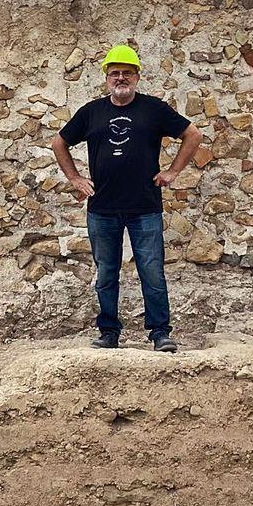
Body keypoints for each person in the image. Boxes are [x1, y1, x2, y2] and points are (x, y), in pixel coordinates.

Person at [51, 44, 202, 352]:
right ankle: (109, 333)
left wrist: (172, 172)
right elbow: (59, 144)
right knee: (106, 273)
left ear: (137, 77)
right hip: (102, 208)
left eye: (127, 73)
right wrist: (75, 179)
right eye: (115, 73)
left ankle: (160, 333)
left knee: (152, 272)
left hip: (145, 207)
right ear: (107, 77)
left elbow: (193, 135)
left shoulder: (153, 109)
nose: (121, 78)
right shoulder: (91, 112)